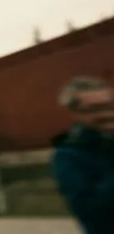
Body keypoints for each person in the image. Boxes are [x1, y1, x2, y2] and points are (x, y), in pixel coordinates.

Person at [51, 76, 114, 234]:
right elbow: (90, 209)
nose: (107, 114)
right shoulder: (69, 156)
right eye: (94, 109)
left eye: (110, 106)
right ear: (75, 114)